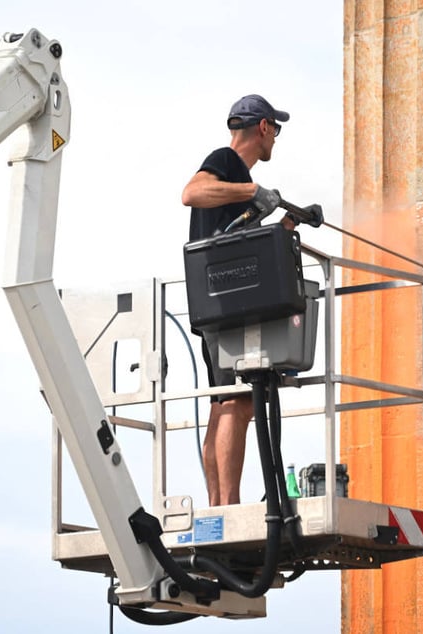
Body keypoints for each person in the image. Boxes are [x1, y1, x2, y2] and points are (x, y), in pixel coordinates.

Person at [180, 94, 295, 506]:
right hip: (226, 304)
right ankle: (228, 504)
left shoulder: (236, 188)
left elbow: (239, 237)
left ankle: (218, 503)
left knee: (222, 402)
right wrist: (251, 189)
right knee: (238, 403)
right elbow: (191, 193)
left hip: (219, 302)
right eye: (275, 130)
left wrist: (286, 222)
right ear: (263, 127)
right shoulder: (227, 164)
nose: (276, 139)